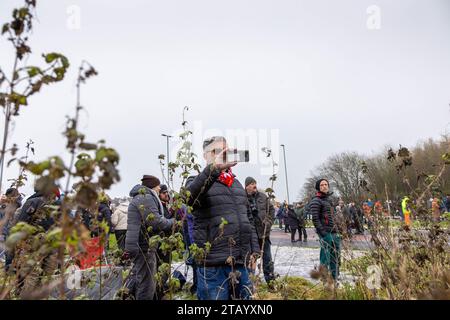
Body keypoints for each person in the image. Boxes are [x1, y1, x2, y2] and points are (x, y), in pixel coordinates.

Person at [186, 136, 260, 300]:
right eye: (216, 151)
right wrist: (214, 169)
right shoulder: (196, 180)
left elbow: (248, 218)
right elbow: (190, 200)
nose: (222, 155)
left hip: (239, 262)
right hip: (213, 265)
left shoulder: (236, 183)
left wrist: (254, 251)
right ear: (206, 156)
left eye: (225, 151)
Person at [125, 175, 175, 300]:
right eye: (158, 186)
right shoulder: (145, 197)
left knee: (141, 278)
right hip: (143, 245)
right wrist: (172, 222)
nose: (159, 189)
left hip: (140, 244)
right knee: (147, 284)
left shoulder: (142, 196)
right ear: (153, 186)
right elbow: (155, 221)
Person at [245, 177, 276, 285]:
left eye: (255, 183)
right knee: (251, 260)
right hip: (251, 236)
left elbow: (271, 209)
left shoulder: (263, 196)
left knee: (267, 259)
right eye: (252, 183)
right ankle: (250, 284)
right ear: (247, 186)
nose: (254, 185)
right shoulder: (243, 198)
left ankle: (271, 283)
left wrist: (269, 222)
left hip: (264, 234)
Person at [310, 179, 341, 280]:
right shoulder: (316, 201)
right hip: (325, 233)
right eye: (322, 185)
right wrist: (323, 233)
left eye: (326, 184)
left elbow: (333, 216)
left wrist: (338, 228)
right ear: (318, 187)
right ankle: (324, 279)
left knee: (335, 257)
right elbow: (315, 218)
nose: (324, 186)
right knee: (325, 257)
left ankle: (334, 278)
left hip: (334, 232)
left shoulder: (329, 200)